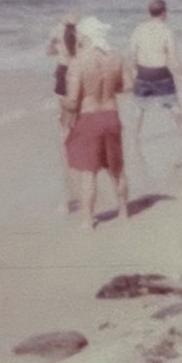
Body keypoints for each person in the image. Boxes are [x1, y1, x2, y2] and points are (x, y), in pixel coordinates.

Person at [63, 17, 129, 229]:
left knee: (88, 173)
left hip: (89, 118)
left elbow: (73, 102)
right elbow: (127, 86)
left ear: (84, 37)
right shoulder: (116, 58)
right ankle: (123, 212)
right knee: (116, 169)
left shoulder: (78, 62)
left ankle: (87, 220)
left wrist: (62, 104)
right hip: (111, 115)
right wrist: (108, 88)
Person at [129, 0, 182, 147]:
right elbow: (173, 58)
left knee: (139, 107)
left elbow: (132, 55)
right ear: (164, 13)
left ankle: (134, 138)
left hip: (143, 72)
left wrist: (134, 73)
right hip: (161, 73)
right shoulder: (166, 31)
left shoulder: (139, 29)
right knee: (173, 105)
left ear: (149, 12)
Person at [46, 13, 80, 212]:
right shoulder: (79, 33)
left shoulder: (56, 32)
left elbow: (49, 50)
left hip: (62, 68)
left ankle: (65, 135)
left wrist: (55, 45)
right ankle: (74, 131)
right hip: (76, 68)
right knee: (76, 104)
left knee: (62, 107)